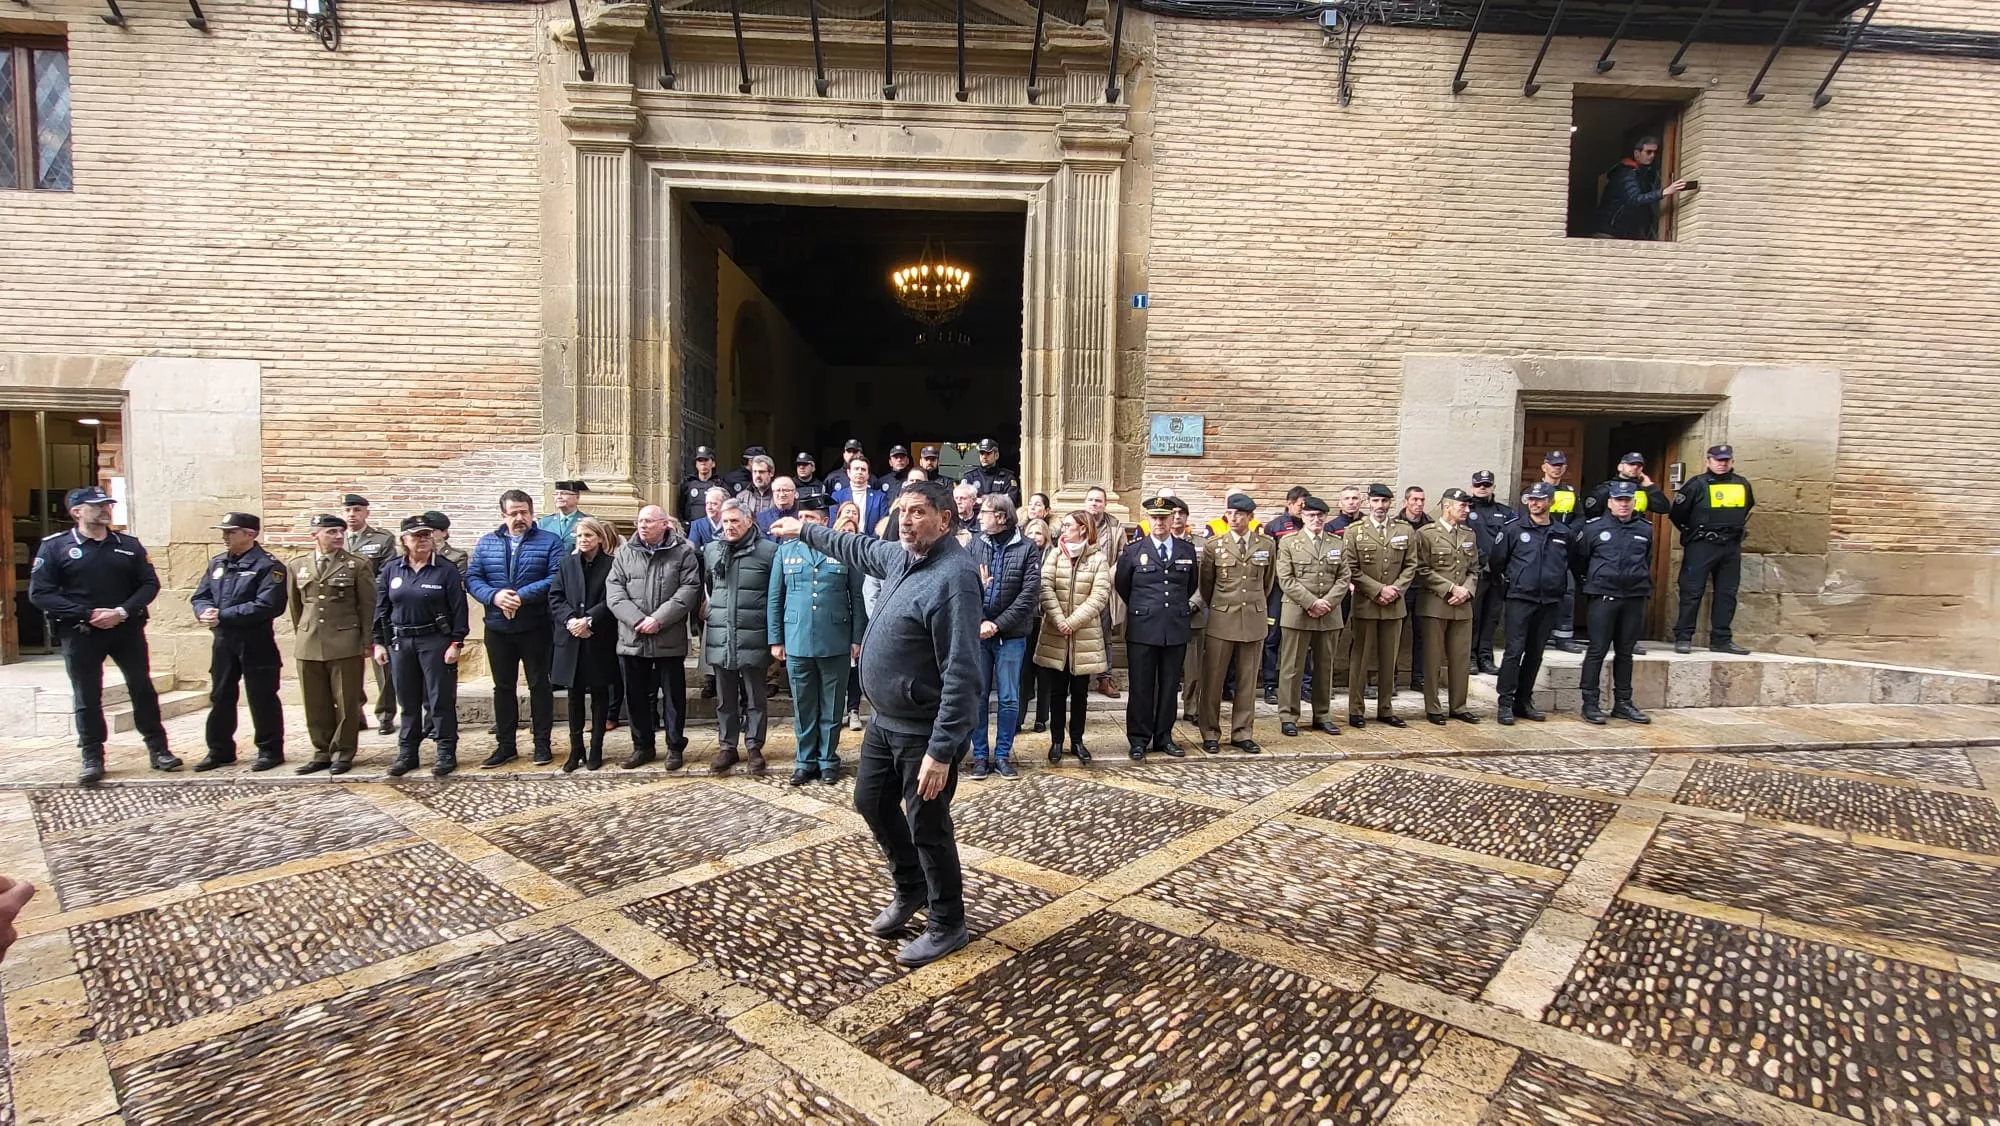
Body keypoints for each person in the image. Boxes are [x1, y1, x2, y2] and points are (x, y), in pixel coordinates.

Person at [767, 477, 982, 969]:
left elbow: (963, 672)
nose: (905, 521)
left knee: (927, 825)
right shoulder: (900, 555)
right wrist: (805, 531)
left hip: (923, 731)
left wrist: (942, 751)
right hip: (885, 723)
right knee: (869, 801)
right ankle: (911, 890)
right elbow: (857, 546)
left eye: (918, 512)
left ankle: (949, 923)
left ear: (945, 519)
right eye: (902, 511)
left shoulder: (955, 577)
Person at [28, 485, 180, 784]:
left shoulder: (128, 545)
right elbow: (41, 594)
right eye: (96, 506)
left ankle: (158, 749)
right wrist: (87, 614)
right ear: (77, 512)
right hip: (82, 632)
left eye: (107, 504)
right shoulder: (55, 547)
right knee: (87, 695)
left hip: (125, 629)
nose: (104, 510)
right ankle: (92, 756)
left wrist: (121, 612)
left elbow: (149, 584)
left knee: (142, 689)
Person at [769, 494, 866, 787]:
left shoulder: (842, 550)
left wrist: (857, 638)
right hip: (797, 639)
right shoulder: (786, 552)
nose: (804, 523)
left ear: (824, 522)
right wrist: (776, 638)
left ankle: (828, 760)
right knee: (803, 704)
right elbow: (776, 598)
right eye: (802, 518)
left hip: (835, 639)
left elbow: (857, 598)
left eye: (811, 519)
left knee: (832, 704)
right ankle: (804, 760)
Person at [466, 490, 564, 767]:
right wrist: (495, 596)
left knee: (539, 685)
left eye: (524, 512)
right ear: (503, 515)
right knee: (503, 687)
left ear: (532, 514)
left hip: (535, 625)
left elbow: (555, 576)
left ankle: (542, 744)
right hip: (498, 627)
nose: (519, 518)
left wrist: (520, 596)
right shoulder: (486, 544)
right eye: (514, 513)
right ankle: (505, 745)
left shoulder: (550, 542)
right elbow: (473, 578)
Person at [190, 513, 289, 772]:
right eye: (224, 531)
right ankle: (219, 749)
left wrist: (222, 615)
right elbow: (200, 595)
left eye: (231, 532)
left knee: (261, 695)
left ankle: (270, 749)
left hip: (255, 640)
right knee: (221, 694)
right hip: (223, 640)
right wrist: (204, 611)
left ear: (249, 534)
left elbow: (268, 605)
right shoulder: (217, 563)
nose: (225, 536)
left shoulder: (269, 566)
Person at [607, 505, 703, 769]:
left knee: (673, 696)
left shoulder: (683, 553)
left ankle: (674, 746)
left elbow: (689, 589)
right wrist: (637, 619)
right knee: (635, 696)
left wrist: (658, 619)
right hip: (632, 637)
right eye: (640, 521)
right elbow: (614, 591)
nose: (643, 525)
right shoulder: (625, 552)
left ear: (664, 524)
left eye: (649, 521)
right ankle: (642, 746)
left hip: (667, 636)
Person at [373, 514, 469, 777]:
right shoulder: (392, 569)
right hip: (401, 641)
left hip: (435, 640)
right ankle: (407, 752)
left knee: (439, 699)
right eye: (417, 536)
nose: (423, 540)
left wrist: (457, 642)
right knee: (407, 699)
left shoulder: (445, 569)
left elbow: (459, 610)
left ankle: (445, 751)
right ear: (404, 540)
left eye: (427, 535)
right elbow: (381, 609)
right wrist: (378, 642)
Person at [289, 513, 377, 775]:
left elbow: (367, 606)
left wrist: (366, 642)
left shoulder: (357, 565)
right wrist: (303, 634)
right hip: (309, 642)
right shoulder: (297, 565)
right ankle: (321, 750)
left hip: (345, 641)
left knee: (347, 701)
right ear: (315, 535)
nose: (338, 536)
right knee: (315, 702)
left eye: (340, 531)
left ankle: (343, 751)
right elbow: (296, 607)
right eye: (331, 532)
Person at [966, 495, 1041, 780]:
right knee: (979, 695)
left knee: (1009, 697)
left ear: (1001, 517)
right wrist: (979, 615)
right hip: (979, 634)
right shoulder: (975, 544)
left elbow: (1028, 597)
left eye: (984, 512)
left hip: (1010, 635)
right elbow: (964, 584)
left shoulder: (1027, 548)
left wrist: (996, 625)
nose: (979, 516)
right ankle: (981, 756)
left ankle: (1003, 755)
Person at [1112, 499, 1193, 760]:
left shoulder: (1186, 550)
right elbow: (1123, 584)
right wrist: (1146, 608)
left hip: (1175, 627)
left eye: (1164, 518)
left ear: (1173, 520)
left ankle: (1164, 736)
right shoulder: (1134, 551)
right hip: (1143, 627)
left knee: (1170, 686)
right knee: (1141, 686)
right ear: (1148, 520)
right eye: (1155, 518)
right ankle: (1138, 738)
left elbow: (1190, 585)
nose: (1159, 523)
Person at [704, 499, 778, 774]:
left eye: (735, 521)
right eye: (726, 522)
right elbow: (711, 587)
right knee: (725, 699)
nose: (730, 527)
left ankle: (754, 747)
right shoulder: (712, 550)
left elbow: (775, 596)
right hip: (721, 635)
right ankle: (727, 746)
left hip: (754, 634)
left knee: (755, 698)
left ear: (749, 520)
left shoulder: (768, 551)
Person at [1572, 481, 1656, 724]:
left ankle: (1623, 702)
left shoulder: (1645, 529)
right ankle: (1590, 703)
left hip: (1634, 596)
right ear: (1609, 503)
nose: (1623, 504)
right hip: (1604, 596)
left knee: (1626, 652)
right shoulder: (1594, 529)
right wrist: (1593, 583)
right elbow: (1579, 560)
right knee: (1597, 650)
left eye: (1627, 500)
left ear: (1633, 502)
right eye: (1619, 500)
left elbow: (1647, 558)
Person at [1198, 493, 1276, 755]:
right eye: (1230, 514)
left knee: (1246, 681)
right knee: (1213, 680)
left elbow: (1268, 583)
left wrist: (1254, 606)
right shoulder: (1214, 545)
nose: (1233, 518)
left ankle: (1242, 732)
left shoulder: (1266, 545)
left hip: (1252, 619)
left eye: (1240, 514)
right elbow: (1206, 585)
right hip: (1222, 618)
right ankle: (1210, 732)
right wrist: (1221, 605)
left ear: (1250, 517)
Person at [1487, 482, 1571, 725]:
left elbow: (1572, 562)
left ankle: (1524, 700)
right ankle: (1505, 702)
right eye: (1530, 499)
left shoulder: (1562, 533)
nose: (1534, 503)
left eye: (1540, 499)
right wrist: (1512, 584)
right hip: (1520, 598)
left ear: (1551, 502)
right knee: (1514, 651)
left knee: (1535, 653)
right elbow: (1497, 562)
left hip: (1549, 600)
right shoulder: (1513, 530)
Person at [1035, 509, 1111, 764]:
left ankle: (1077, 739)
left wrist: (1073, 622)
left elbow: (1100, 595)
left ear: (1082, 529)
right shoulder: (1055, 555)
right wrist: (1059, 620)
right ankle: (1056, 740)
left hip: (1084, 636)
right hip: (1056, 635)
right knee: (1057, 691)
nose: (1063, 529)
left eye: (1068, 525)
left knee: (1080, 693)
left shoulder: (1097, 559)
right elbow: (1044, 587)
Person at [1274, 496, 1349, 738]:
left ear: (1325, 517)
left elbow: (1343, 577)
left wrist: (1326, 602)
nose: (1315, 520)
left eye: (1319, 516)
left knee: (1325, 666)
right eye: (1310, 516)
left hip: (1328, 613)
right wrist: (1311, 602)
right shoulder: (1288, 543)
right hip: (1298, 612)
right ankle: (1288, 716)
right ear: (1302, 517)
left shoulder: (1337, 543)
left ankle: (1322, 715)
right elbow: (1285, 579)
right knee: (1292, 667)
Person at [551, 516, 621, 771]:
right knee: (574, 695)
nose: (583, 540)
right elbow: (556, 596)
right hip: (571, 638)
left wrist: (590, 620)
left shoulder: (612, 565)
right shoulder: (566, 564)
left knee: (600, 694)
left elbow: (612, 598)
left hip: (597, 637)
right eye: (579, 536)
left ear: (600, 538)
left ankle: (596, 748)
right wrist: (571, 620)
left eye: (588, 536)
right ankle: (575, 748)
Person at [1672, 444, 1755, 655]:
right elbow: (1678, 513)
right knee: (1691, 592)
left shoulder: (1742, 484)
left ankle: (1721, 639)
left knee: (1727, 593)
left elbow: (1747, 507)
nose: (1722, 463)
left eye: (1726, 460)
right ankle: (1684, 637)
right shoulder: (1696, 484)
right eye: (1718, 460)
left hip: (1730, 546)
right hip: (1702, 545)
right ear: (1708, 461)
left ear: (1732, 462)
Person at [1346, 484, 1416, 729]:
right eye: (1375, 501)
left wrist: (1395, 589)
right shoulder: (1355, 531)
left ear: (1390, 504)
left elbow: (1411, 564)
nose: (1380, 506)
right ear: (1368, 503)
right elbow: (1351, 568)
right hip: (1366, 603)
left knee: (1389, 658)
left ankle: (1386, 708)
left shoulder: (1404, 530)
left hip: (1394, 604)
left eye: (1384, 502)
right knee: (1360, 658)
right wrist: (1378, 590)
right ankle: (1356, 709)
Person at [1414, 488, 1481, 725]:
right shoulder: (1426, 534)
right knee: (1433, 658)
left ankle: (1459, 706)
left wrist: (1467, 591)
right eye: (1462, 506)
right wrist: (1451, 588)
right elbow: (1421, 569)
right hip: (1435, 603)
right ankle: (1433, 707)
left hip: (1462, 605)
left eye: (1467, 506)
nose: (1466, 510)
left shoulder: (1469, 534)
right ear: (1447, 506)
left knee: (1461, 657)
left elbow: (1474, 568)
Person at [342, 494, 399, 735]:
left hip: (374, 608)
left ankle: (385, 713)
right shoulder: (337, 537)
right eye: (347, 510)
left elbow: (385, 573)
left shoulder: (382, 539)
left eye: (356, 510)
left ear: (366, 512)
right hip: (343, 611)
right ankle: (354, 713)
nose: (351, 515)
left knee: (382, 662)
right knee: (346, 665)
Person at [1257, 487, 1309, 706]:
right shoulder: (1275, 527)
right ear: (1290, 503)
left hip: (1304, 592)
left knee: (1304, 639)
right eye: (1300, 505)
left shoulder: (1311, 525)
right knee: (1272, 637)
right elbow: (1268, 561)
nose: (1304, 510)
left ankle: (1304, 685)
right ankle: (1270, 684)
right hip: (1278, 590)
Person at [1592, 134, 1689, 240]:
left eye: (1655, 152)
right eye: (1648, 152)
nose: (1652, 156)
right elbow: (1634, 198)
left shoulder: (1643, 173)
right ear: (1637, 153)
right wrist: (1664, 192)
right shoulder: (1626, 173)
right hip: (1609, 231)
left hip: (1621, 232)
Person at [1465, 470, 1515, 676]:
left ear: (1493, 487)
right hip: (1476, 572)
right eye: (1479, 485)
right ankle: (1470, 658)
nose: (1482, 488)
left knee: (1492, 617)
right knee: (1473, 617)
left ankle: (1485, 656)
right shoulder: (1466, 508)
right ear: (1472, 487)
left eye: (1486, 485)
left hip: (1498, 573)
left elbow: (1512, 540)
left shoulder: (1505, 512)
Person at [1537, 450, 1585, 653]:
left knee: (1568, 592)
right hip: (1540, 549)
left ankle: (1563, 636)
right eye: (1553, 464)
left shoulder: (1570, 491)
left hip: (1564, 549)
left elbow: (1580, 518)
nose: (1557, 468)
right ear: (1544, 466)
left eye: (1560, 465)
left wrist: (1566, 534)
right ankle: (1542, 634)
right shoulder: (1535, 490)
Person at [1081, 486, 1124, 700]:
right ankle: (1076, 678)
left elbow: (1123, 555)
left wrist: (1107, 577)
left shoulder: (1115, 526)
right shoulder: (1076, 522)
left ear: (1105, 504)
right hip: (1079, 589)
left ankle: (1104, 678)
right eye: (1090, 500)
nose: (1094, 504)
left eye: (1098, 500)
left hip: (1105, 588)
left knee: (1104, 634)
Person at [833, 499, 869, 733]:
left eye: (851, 531)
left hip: (855, 620)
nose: (847, 535)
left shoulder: (861, 558)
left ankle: (854, 709)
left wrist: (857, 636)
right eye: (843, 531)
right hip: (833, 624)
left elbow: (860, 598)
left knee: (854, 668)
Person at [1394, 486, 1433, 693]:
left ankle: (1419, 678)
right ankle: (1390, 678)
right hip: (1401, 588)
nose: (1418, 504)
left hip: (1424, 588)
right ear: (1405, 502)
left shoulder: (1431, 526)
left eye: (1422, 500)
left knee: (1423, 635)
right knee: (1395, 634)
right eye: (1415, 500)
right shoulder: (1395, 525)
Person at [836, 456, 892, 533]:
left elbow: (884, 526)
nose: (859, 472)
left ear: (868, 474)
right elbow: (833, 525)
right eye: (856, 469)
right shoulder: (837, 496)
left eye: (863, 469)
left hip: (872, 543)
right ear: (848, 472)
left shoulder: (880, 498)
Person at [960, 438, 1022, 505]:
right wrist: (997, 500)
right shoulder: (970, 477)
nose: (984, 456)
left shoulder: (1007, 477)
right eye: (982, 453)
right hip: (976, 514)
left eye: (988, 453)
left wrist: (982, 500)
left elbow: (1010, 501)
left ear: (996, 455)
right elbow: (963, 501)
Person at [536, 480, 592, 552]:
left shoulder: (588, 521)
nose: (559, 497)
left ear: (577, 498)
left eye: (564, 493)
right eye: (556, 494)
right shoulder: (544, 522)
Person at [678, 445, 722, 523]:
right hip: (692, 527)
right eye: (700, 460)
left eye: (706, 460)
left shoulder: (720, 485)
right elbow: (681, 507)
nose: (703, 463)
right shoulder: (688, 485)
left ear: (713, 463)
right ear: (696, 464)